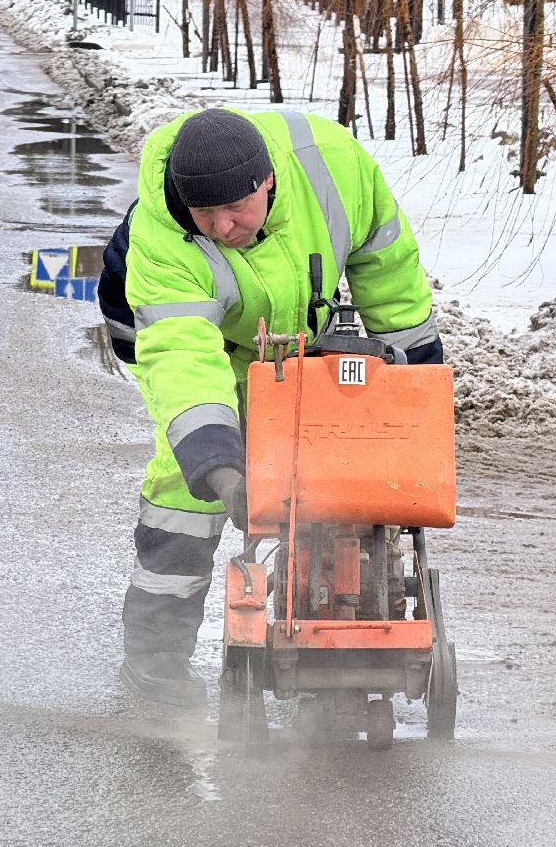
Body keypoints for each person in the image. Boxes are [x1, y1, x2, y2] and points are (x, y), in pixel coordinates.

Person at [97, 106, 443, 706]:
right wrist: (221, 468)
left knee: (344, 457)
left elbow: (387, 272)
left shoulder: (334, 169)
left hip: (299, 329)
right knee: (185, 488)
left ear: (269, 184)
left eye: (236, 210)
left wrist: (417, 388)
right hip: (198, 337)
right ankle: (155, 665)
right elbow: (182, 355)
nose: (222, 227)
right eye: (205, 215)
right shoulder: (163, 237)